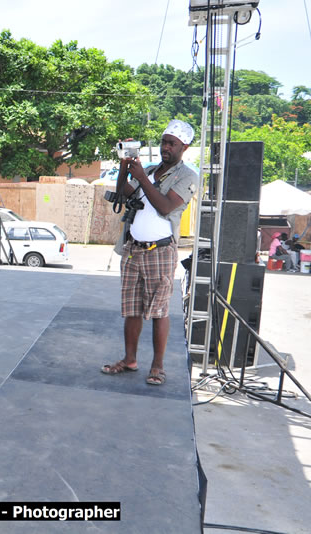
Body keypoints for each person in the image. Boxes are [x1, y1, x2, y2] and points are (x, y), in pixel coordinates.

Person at [101, 119, 199, 386]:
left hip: (161, 251)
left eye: (172, 144)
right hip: (134, 249)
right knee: (132, 309)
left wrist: (142, 177)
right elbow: (124, 191)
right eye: (164, 141)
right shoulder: (153, 170)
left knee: (158, 310)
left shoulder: (187, 176)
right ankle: (130, 359)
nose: (165, 147)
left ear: (184, 147)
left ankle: (157, 366)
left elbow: (166, 207)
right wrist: (125, 165)